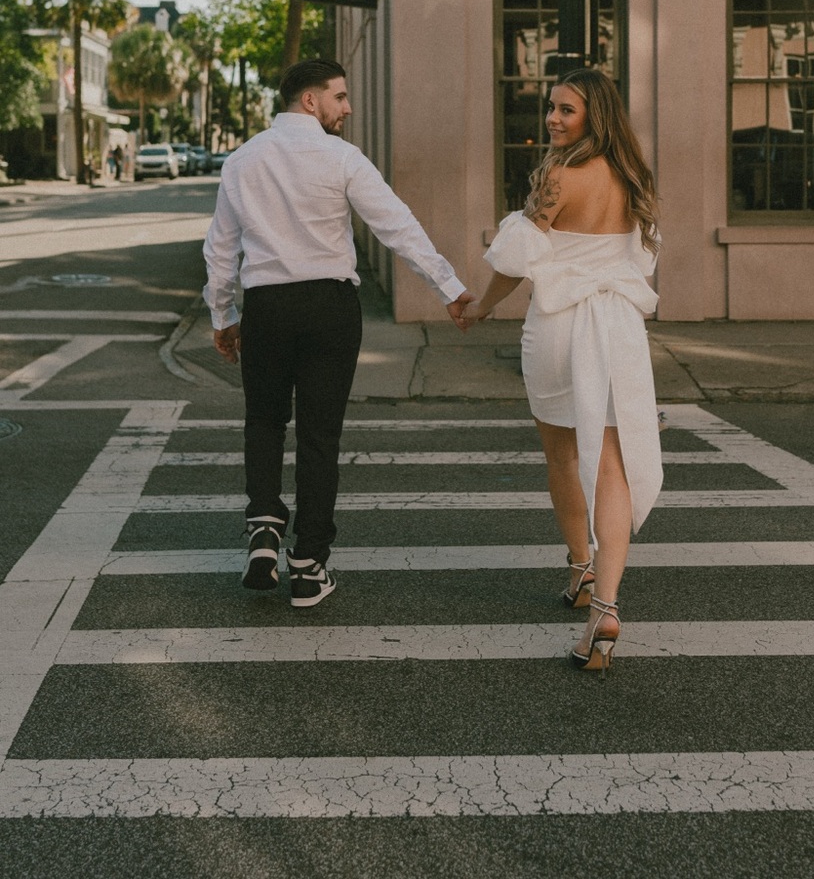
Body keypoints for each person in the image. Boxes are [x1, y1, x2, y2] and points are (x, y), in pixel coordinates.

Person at [203, 58, 473, 608]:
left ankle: (263, 530)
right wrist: (449, 287)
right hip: (329, 307)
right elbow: (396, 224)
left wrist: (223, 316)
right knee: (320, 435)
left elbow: (220, 249)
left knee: (264, 419)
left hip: (269, 307)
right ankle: (308, 564)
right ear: (310, 100)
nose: (347, 108)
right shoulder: (342, 158)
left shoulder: (242, 160)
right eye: (341, 97)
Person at [462, 68, 662, 674]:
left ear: (593, 115)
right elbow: (646, 254)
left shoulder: (557, 175)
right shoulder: (634, 176)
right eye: (551, 108)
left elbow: (519, 258)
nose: (552, 118)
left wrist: (480, 306)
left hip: (561, 325)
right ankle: (602, 601)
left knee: (562, 456)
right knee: (612, 463)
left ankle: (581, 567)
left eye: (566, 110)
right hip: (620, 326)